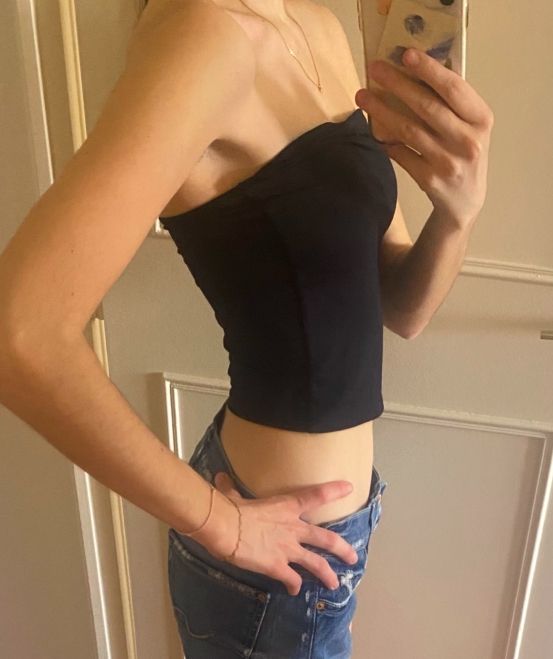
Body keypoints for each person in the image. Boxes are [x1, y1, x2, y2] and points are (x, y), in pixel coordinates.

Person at [0, 0, 494, 657]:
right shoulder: (205, 34)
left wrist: (458, 213)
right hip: (274, 575)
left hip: (325, 542)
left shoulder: (318, 23)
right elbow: (21, 335)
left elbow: (402, 308)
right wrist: (221, 525)